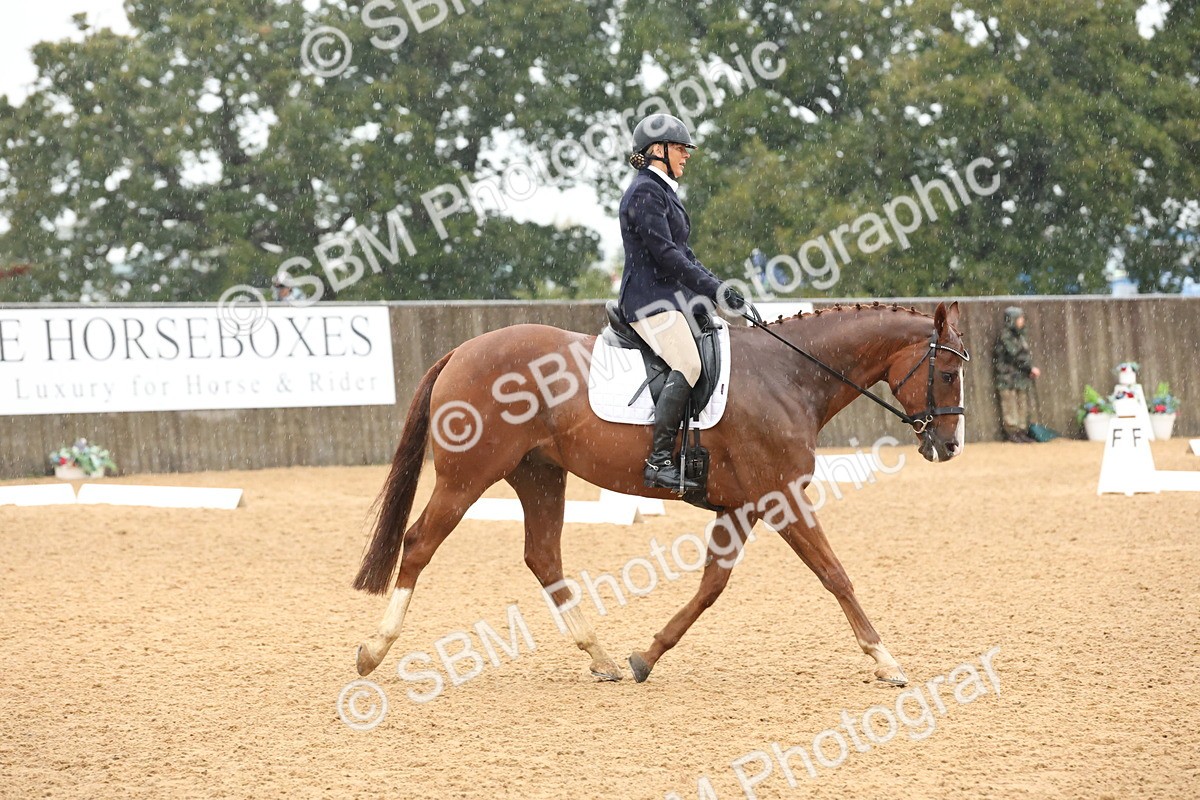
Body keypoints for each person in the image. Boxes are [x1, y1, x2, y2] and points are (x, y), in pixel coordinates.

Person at [617, 113, 747, 492]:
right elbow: (666, 256)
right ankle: (658, 461)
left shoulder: (663, 192)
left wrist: (718, 288)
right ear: (657, 150)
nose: (687, 155)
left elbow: (685, 254)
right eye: (679, 148)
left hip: (671, 299)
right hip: (648, 302)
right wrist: (712, 289)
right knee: (688, 364)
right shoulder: (644, 193)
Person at [992, 306, 1042, 442]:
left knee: (1022, 405)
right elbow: (1015, 355)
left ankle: (1021, 431)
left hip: (1020, 378)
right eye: (1019, 318)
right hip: (1007, 378)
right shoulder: (1005, 336)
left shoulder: (1020, 336)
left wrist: (1027, 370)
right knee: (1010, 405)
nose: (1022, 321)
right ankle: (1012, 433)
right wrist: (1029, 368)